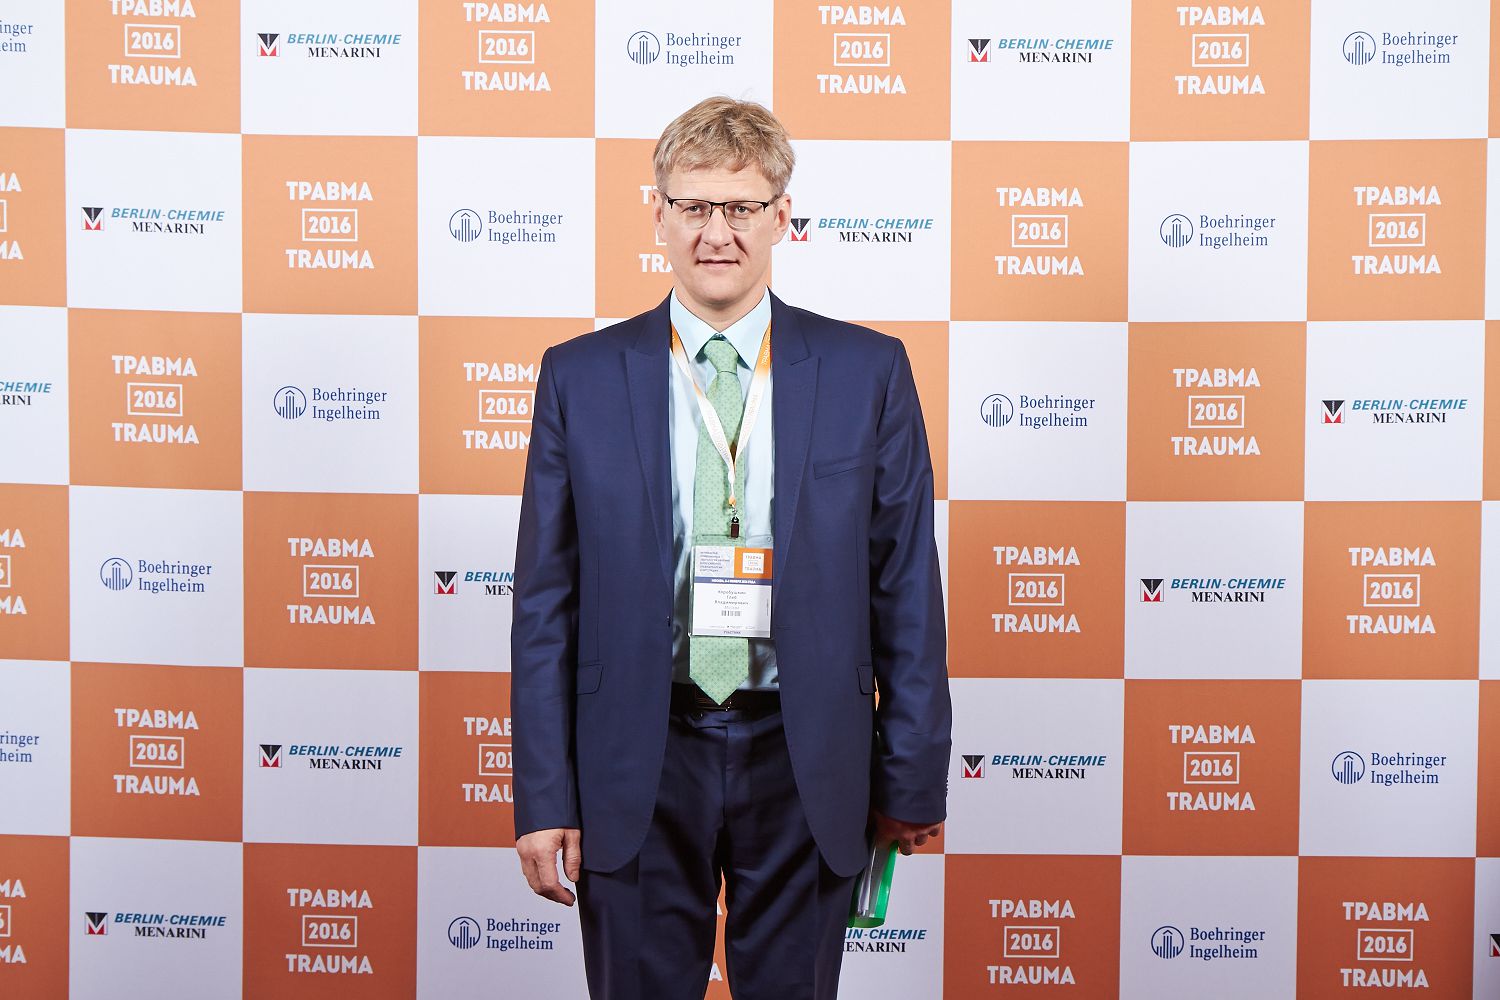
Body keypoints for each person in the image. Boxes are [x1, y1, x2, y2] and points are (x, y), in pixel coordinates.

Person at [510, 96, 952, 1000]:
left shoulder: (868, 372)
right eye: (695, 206)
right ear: (658, 215)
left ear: (783, 216)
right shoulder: (578, 377)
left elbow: (905, 586)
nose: (718, 233)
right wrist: (545, 795)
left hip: (805, 752)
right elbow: (546, 603)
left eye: (742, 207)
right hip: (637, 752)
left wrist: (911, 776)